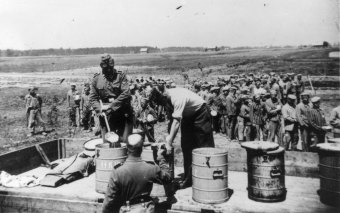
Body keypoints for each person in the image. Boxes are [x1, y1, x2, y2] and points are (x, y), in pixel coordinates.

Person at [148, 86, 214, 189]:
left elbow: (176, 122)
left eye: (161, 102)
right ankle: (188, 180)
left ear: (164, 96)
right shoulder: (167, 99)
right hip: (187, 116)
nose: (162, 105)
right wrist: (168, 138)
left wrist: (169, 143)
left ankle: (208, 178)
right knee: (186, 146)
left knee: (204, 147)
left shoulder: (177, 97)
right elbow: (171, 120)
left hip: (201, 113)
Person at [102, 134, 172, 213]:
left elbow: (109, 201)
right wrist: (162, 159)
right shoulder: (151, 168)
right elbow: (168, 178)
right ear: (142, 149)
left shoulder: (117, 171)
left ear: (127, 148)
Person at [89, 54, 133, 143]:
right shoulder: (96, 79)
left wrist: (111, 106)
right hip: (106, 116)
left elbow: (126, 93)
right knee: (107, 143)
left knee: (124, 143)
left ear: (112, 66)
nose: (107, 71)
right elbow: (93, 98)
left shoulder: (120, 76)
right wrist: (100, 110)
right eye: (104, 69)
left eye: (109, 68)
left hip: (123, 114)